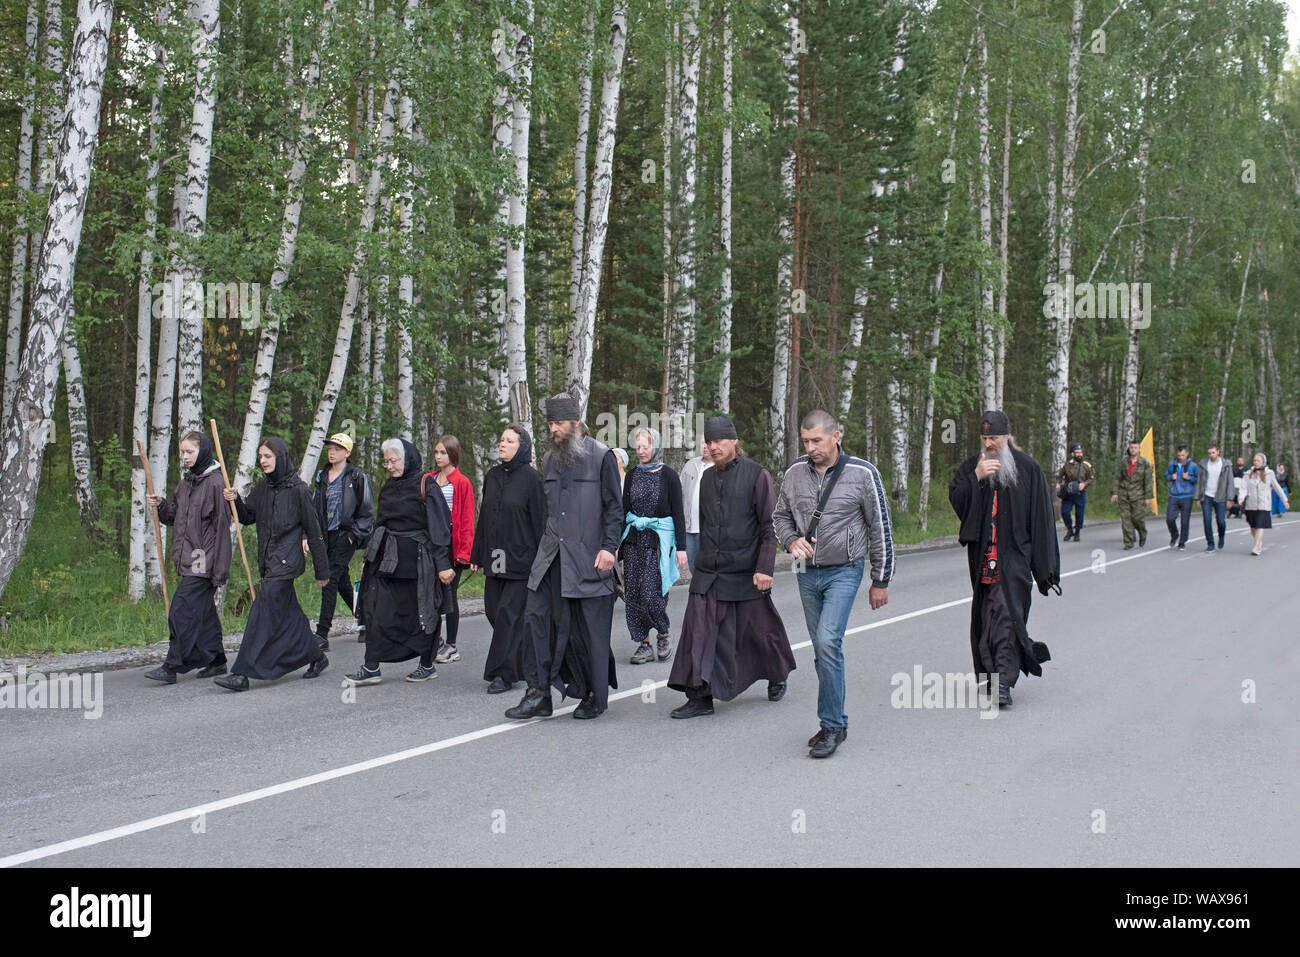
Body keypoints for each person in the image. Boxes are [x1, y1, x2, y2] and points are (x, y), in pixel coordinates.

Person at [773, 410, 894, 758]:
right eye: (806, 441)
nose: (810, 447)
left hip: (845, 570)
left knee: (827, 641)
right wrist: (791, 540)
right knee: (822, 648)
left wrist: (880, 578)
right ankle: (833, 721)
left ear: (836, 436)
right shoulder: (795, 473)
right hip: (806, 571)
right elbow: (779, 516)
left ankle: (833, 725)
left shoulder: (862, 474)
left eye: (817, 441)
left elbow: (880, 526)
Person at [668, 416, 795, 718]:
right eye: (709, 442)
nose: (713, 447)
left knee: (759, 630)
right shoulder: (707, 479)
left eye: (719, 442)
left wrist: (765, 567)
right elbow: (704, 524)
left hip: (746, 570)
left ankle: (777, 672)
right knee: (697, 628)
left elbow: (769, 526)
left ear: (734, 441)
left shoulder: (757, 475)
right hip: (710, 571)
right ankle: (700, 696)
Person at [506, 393, 622, 721]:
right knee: (536, 620)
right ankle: (538, 692)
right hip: (552, 557)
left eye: (558, 423)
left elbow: (615, 508)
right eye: (549, 424)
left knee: (587, 632)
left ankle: (593, 696)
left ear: (575, 423)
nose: (553, 429)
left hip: (590, 559)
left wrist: (608, 548)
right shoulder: (548, 460)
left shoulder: (602, 457)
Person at [949, 411, 1060, 708]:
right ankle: (991, 676)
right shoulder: (973, 466)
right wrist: (976, 478)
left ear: (1007, 436)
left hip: (1015, 560)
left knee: (1008, 617)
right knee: (987, 617)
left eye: (994, 438)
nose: (989, 444)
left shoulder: (1028, 469)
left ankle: (1004, 683)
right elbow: (957, 499)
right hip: (984, 557)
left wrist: (1046, 569)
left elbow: (1042, 520)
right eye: (985, 438)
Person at [216, 437, 330, 691]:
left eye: (268, 456)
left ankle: (242, 673)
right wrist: (234, 500)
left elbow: (315, 531)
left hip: (287, 561)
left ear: (281, 458)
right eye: (261, 457)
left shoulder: (298, 490)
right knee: (289, 615)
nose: (263, 461)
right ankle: (316, 656)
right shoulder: (264, 487)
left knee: (261, 613)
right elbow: (247, 517)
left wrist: (323, 570)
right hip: (268, 561)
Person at [345, 439, 456, 686]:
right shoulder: (388, 487)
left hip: (418, 564)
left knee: (424, 612)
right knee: (376, 610)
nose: (389, 466)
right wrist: (370, 558)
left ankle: (426, 665)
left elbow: (439, 527)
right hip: (387, 562)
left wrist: (443, 564)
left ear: (408, 458)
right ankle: (371, 666)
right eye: (386, 461)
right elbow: (381, 523)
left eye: (393, 460)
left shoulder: (426, 484)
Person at [144, 431, 233, 684]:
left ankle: (172, 665)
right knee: (204, 614)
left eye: (189, 452)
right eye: (182, 452)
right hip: (187, 557)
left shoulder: (216, 484)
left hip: (203, 560)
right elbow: (174, 516)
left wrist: (219, 570)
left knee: (180, 612)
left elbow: (222, 530)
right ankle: (217, 661)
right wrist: (160, 504)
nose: (184, 457)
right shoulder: (187, 483)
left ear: (202, 451)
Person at [471, 424, 545, 694]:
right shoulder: (491, 476)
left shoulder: (532, 479)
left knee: (508, 616)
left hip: (522, 560)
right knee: (494, 611)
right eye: (501, 439)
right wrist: (477, 553)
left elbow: (540, 524)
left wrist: (543, 563)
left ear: (521, 447)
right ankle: (524, 659)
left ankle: (503, 674)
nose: (502, 444)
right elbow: (485, 517)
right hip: (496, 558)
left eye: (509, 441)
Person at [621, 426, 687, 665]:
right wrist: (615, 544)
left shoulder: (669, 476)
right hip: (633, 542)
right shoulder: (631, 475)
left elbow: (678, 514)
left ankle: (663, 632)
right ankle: (643, 644)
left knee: (652, 593)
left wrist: (681, 547)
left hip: (657, 542)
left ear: (656, 447)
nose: (641, 451)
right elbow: (624, 511)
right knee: (634, 594)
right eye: (637, 446)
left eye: (645, 446)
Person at [308, 433, 373, 649]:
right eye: (330, 447)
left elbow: (366, 511)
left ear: (347, 452)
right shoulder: (322, 476)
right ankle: (365, 619)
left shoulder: (356, 477)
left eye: (337, 448)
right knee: (342, 581)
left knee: (329, 579)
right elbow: (313, 507)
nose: (332, 451)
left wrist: (354, 535)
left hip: (346, 536)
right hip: (325, 536)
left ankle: (322, 633)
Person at [427, 435, 475, 665]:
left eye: (443, 453)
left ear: (453, 454)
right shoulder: (429, 479)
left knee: (450, 595)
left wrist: (464, 554)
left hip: (452, 548)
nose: (438, 457)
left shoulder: (462, 482)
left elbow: (466, 520)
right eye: (436, 452)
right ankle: (435, 639)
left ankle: (452, 645)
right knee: (431, 594)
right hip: (431, 546)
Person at [1238, 453, 1288, 555]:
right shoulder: (1248, 474)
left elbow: (1277, 487)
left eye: (1258, 461)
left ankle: (1256, 547)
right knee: (1253, 526)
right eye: (1254, 460)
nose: (1256, 462)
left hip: (1264, 504)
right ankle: (1258, 542)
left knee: (1260, 525)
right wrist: (1241, 497)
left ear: (1263, 462)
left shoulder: (1269, 474)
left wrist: (1284, 500)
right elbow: (1243, 488)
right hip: (1251, 504)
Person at [678, 436, 714, 573]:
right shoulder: (690, 465)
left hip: (709, 530)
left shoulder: (720, 467)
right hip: (689, 530)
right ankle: (699, 595)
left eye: (708, 443)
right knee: (695, 571)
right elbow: (679, 494)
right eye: (702, 443)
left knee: (709, 570)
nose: (705, 446)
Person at [1111, 439, 1155, 550]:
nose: (1133, 450)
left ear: (1139, 449)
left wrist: (1148, 497)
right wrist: (1115, 493)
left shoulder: (1144, 463)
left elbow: (1148, 481)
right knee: (1126, 519)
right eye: (1131, 448)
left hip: (1138, 495)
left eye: (1135, 448)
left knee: (1138, 518)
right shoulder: (1124, 462)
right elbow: (1117, 478)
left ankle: (1142, 533)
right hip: (1124, 494)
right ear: (1129, 449)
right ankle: (1128, 542)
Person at [1195, 443, 1232, 552]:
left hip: (1220, 496)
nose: (1211, 455)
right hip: (1206, 495)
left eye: (1213, 452)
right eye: (1209, 453)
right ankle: (1210, 543)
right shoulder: (1203, 464)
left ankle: (1221, 536)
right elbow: (1199, 481)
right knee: (1207, 519)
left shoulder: (1226, 465)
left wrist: (1230, 498)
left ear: (1218, 452)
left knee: (1221, 521)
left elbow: (1230, 482)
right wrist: (1197, 497)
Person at [1055, 443, 1093, 542]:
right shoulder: (1067, 465)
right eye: (1077, 453)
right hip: (1069, 491)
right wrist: (1058, 483)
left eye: (1080, 452)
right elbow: (1060, 476)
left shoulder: (1086, 466)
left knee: (1079, 513)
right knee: (1065, 511)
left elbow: (1091, 478)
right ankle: (1069, 529)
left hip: (1080, 492)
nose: (1079, 454)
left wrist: (1084, 484)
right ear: (1073, 454)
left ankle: (1077, 532)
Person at [1163, 444, 1199, 550]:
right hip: (1174, 495)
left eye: (1182, 455)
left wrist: (1190, 478)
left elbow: (1198, 479)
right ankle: (1174, 535)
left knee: (1184, 521)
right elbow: (1166, 476)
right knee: (1169, 518)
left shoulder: (1193, 466)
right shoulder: (1172, 465)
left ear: (1187, 454)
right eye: (1179, 455)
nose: (1180, 457)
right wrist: (1170, 477)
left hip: (1187, 495)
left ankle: (1182, 541)